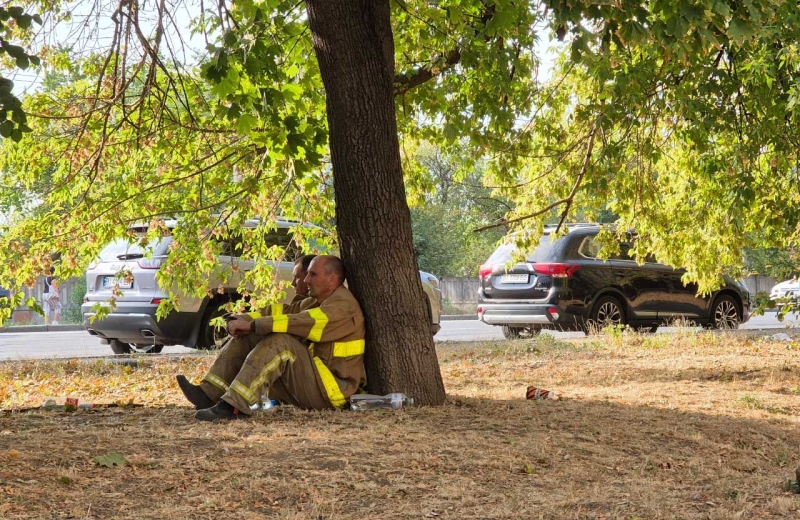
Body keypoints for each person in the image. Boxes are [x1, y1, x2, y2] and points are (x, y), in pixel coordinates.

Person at [176, 255, 365, 421]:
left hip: (333, 392)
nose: (306, 280)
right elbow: (280, 312)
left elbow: (300, 322)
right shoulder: (316, 301)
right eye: (306, 274)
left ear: (332, 280)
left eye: (313, 275)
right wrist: (243, 320)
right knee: (252, 335)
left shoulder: (343, 306)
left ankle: (234, 406)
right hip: (315, 382)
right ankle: (208, 394)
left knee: (282, 344)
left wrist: (253, 325)